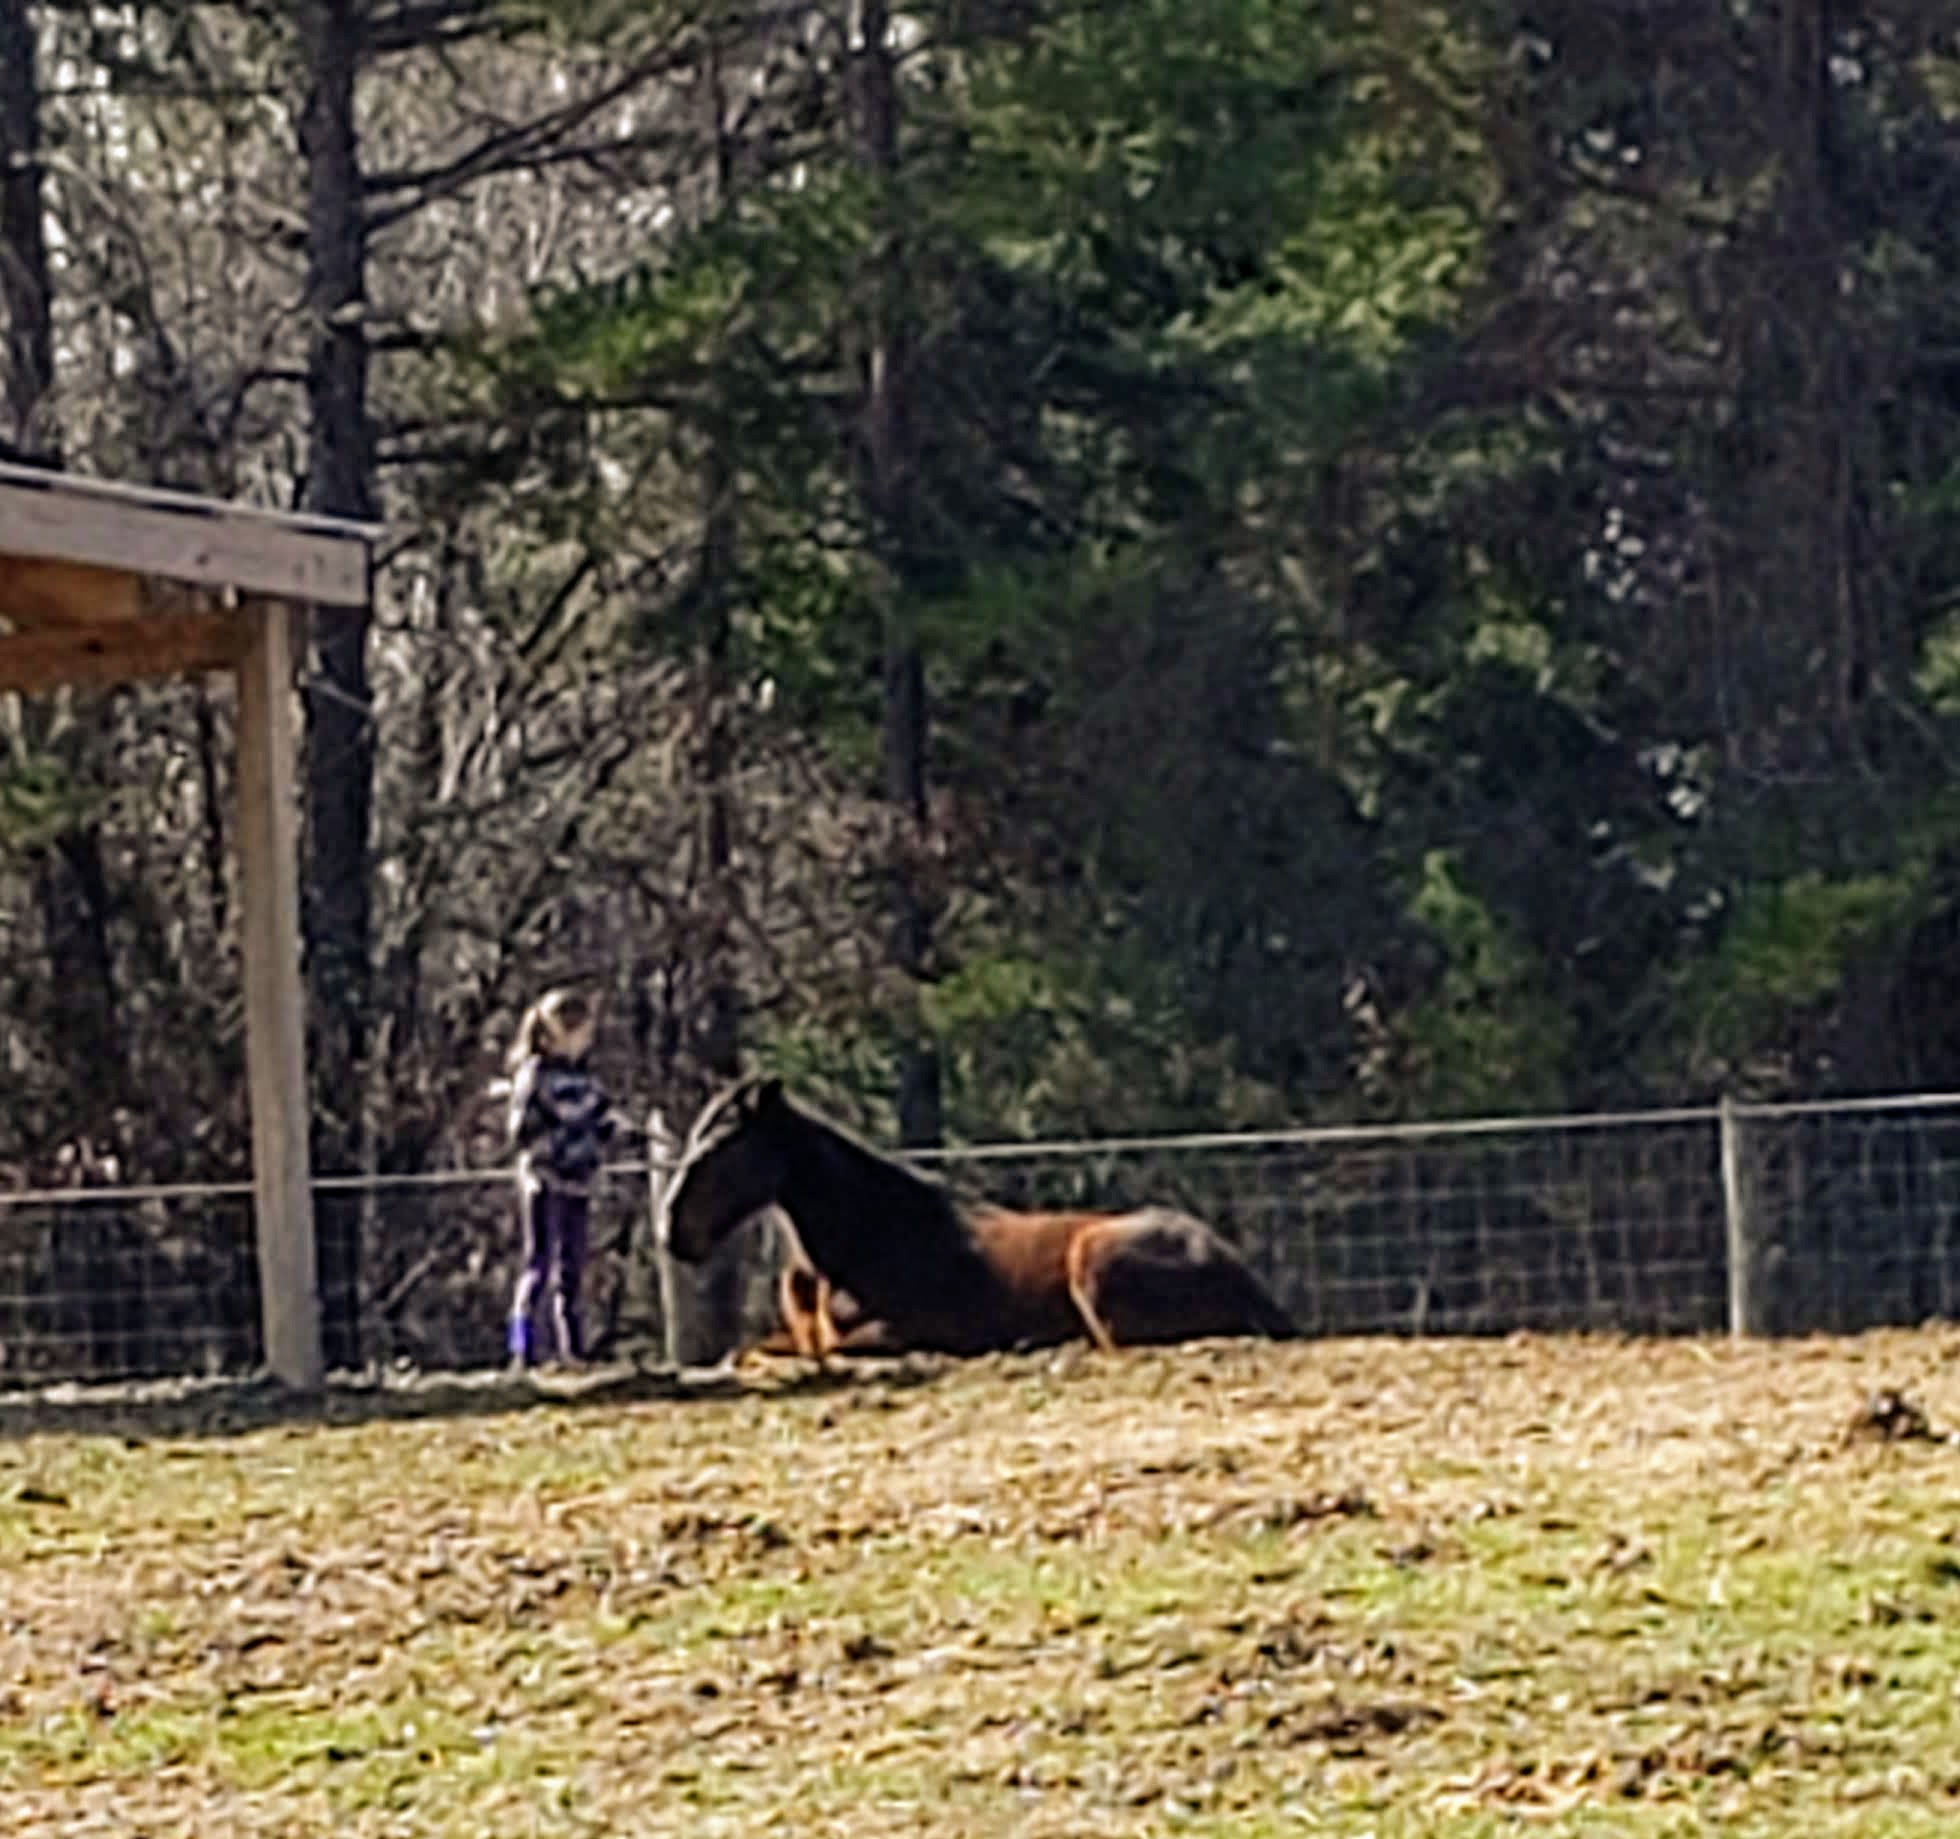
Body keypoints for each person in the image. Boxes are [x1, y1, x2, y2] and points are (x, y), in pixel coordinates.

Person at [504, 987, 615, 1369]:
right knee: (537, 1265)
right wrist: (559, 1138)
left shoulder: (586, 1078)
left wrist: (607, 1130)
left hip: (579, 1181)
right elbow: (521, 1131)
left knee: (572, 1269)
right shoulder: (534, 1075)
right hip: (545, 1181)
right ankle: (522, 1350)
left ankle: (573, 1350)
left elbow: (602, 1119)